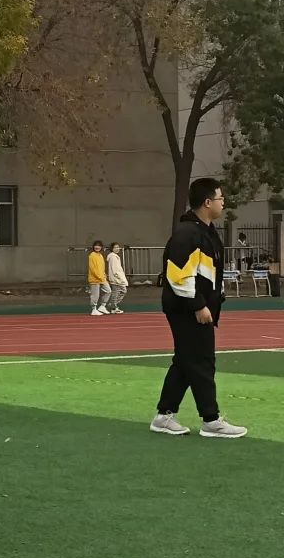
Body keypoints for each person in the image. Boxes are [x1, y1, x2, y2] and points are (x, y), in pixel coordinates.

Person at [151, 178, 247, 438]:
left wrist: (215, 298)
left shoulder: (206, 231)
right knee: (202, 361)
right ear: (207, 202)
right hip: (186, 308)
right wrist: (198, 305)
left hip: (196, 306)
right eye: (220, 198)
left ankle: (163, 416)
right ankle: (211, 419)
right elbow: (177, 274)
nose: (223, 202)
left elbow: (209, 271)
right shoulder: (188, 233)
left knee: (186, 361)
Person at [87, 240, 112, 316]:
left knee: (108, 291)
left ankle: (102, 306)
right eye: (96, 245)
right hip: (94, 279)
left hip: (102, 278)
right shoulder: (92, 255)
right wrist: (99, 276)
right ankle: (94, 309)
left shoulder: (100, 255)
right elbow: (92, 268)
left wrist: (104, 276)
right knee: (95, 295)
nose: (97, 247)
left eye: (99, 246)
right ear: (93, 247)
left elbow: (102, 267)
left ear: (101, 247)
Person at [105, 243, 129, 314]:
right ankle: (113, 307)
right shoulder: (113, 257)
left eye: (118, 247)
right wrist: (119, 277)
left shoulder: (114, 256)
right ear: (112, 249)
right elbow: (115, 269)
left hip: (117, 278)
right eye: (115, 247)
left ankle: (113, 304)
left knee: (120, 291)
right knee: (118, 292)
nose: (117, 249)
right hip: (116, 278)